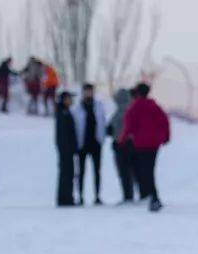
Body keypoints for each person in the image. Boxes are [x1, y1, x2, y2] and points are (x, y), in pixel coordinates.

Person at [119, 83, 170, 213]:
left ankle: (153, 197)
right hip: (154, 144)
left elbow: (129, 126)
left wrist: (122, 140)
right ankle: (153, 196)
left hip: (141, 144)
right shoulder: (155, 106)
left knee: (145, 172)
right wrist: (166, 137)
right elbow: (164, 121)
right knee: (150, 170)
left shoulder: (134, 108)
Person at [73, 83, 107, 206]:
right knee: (81, 171)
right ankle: (80, 196)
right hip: (82, 144)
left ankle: (97, 195)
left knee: (97, 171)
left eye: (90, 91)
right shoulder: (77, 108)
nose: (89, 93)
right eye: (86, 91)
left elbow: (102, 122)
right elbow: (76, 126)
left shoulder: (98, 106)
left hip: (95, 143)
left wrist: (101, 139)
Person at [106, 88, 139, 203]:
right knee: (133, 172)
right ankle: (137, 195)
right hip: (133, 145)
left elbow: (109, 129)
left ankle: (127, 196)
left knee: (124, 172)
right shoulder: (133, 109)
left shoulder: (119, 112)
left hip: (121, 146)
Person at [55, 91, 77, 206]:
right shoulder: (62, 113)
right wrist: (68, 147)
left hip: (67, 149)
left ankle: (67, 197)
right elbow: (64, 134)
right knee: (66, 173)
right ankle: (65, 198)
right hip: (65, 150)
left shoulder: (65, 112)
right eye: (69, 99)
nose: (71, 101)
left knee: (69, 173)